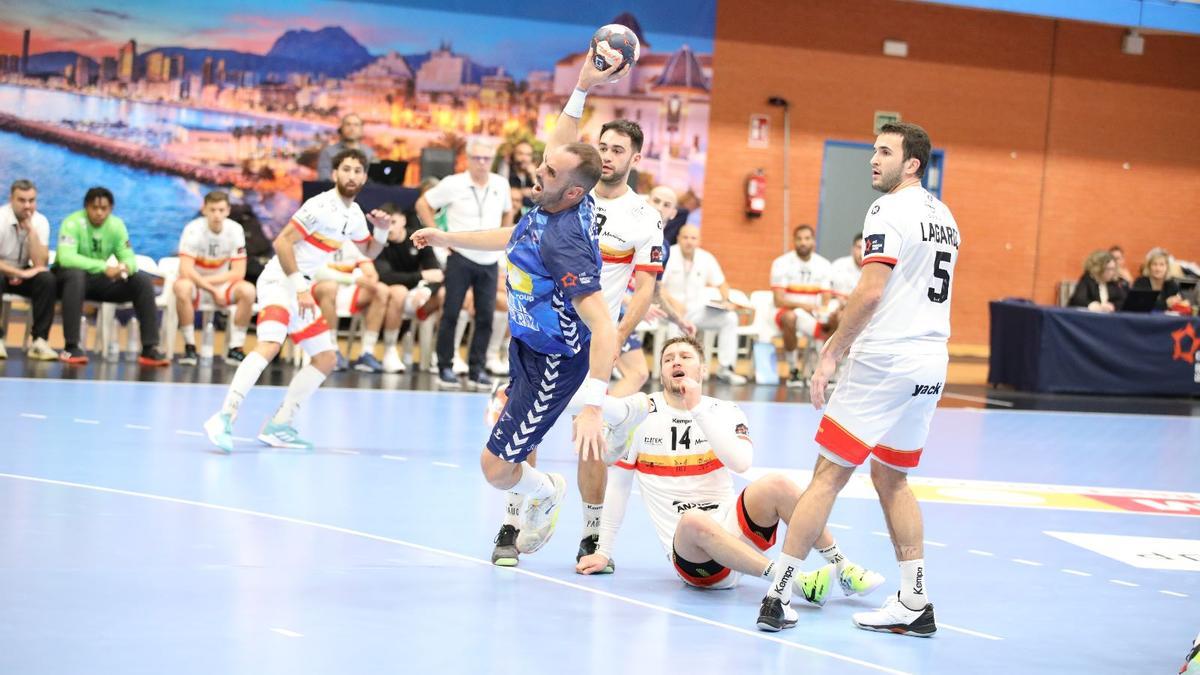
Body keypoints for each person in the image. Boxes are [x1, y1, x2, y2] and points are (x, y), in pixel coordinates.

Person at [410, 49, 622, 561]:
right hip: (524, 345)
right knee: (501, 457)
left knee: (496, 469)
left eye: (548, 172)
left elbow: (604, 327)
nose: (538, 170)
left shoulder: (566, 241)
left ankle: (547, 492)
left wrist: (592, 405)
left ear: (572, 193)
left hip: (554, 363)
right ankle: (539, 488)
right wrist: (583, 85)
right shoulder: (555, 196)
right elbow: (515, 232)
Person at [757, 121, 958, 637]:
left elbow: (870, 294)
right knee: (893, 478)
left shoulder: (888, 209)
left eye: (885, 152)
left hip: (885, 360)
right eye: (873, 150)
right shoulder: (945, 216)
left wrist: (830, 354)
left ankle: (777, 595)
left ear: (911, 163)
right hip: (931, 360)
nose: (873, 159)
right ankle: (914, 600)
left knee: (828, 474)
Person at [577, 337, 884, 609]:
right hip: (693, 555)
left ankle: (842, 567)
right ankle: (790, 579)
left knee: (777, 484)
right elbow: (618, 488)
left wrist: (696, 409)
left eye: (685, 356)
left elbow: (741, 463)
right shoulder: (643, 413)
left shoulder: (724, 410)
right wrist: (603, 551)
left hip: (737, 536)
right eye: (668, 359)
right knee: (694, 519)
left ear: (702, 371)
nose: (676, 362)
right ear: (661, 373)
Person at [203, 149, 394, 453]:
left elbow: (369, 252)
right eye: (346, 169)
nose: (352, 175)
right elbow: (282, 242)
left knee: (326, 358)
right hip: (280, 281)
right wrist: (299, 287)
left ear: (365, 177)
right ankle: (224, 417)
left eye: (358, 171)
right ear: (334, 174)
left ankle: (279, 424)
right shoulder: (319, 205)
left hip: (300, 289)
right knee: (270, 344)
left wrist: (382, 231)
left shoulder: (355, 215)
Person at [416, 138, 514, 390]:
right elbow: (423, 203)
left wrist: (503, 238)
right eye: (477, 158)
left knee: (486, 316)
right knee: (451, 311)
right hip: (460, 254)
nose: (482, 163)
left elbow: (508, 211)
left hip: (490, 258)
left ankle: (476, 369)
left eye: (486, 158)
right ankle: (445, 366)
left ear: (492, 160)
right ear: (467, 159)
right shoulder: (454, 183)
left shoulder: (500, 184)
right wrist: (437, 236)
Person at [53, 187, 169, 366]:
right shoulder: (72, 223)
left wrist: (125, 267)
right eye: (94, 208)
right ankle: (71, 347)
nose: (99, 212)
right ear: (86, 207)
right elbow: (66, 258)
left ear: (111, 208)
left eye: (104, 208)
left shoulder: (116, 225)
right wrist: (103, 266)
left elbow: (128, 257)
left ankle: (149, 348)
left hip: (100, 282)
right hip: (68, 281)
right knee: (75, 276)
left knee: (142, 281)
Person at [173, 190, 256, 365]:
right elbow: (186, 270)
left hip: (221, 284)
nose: (217, 215)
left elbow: (238, 272)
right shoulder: (193, 229)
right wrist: (209, 289)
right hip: (196, 283)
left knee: (248, 291)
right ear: (204, 210)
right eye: (212, 210)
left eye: (221, 210)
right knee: (182, 287)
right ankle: (189, 348)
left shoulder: (235, 230)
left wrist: (213, 286)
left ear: (228, 210)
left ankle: (236, 348)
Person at [662, 225, 747, 384]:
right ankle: (671, 372)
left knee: (730, 318)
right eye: (685, 237)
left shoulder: (706, 258)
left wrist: (725, 301)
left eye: (693, 238)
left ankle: (725, 369)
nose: (689, 242)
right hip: (669, 311)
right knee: (676, 323)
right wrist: (674, 303)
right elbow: (658, 285)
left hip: (695, 311)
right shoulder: (668, 254)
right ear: (679, 238)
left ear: (699, 241)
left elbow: (722, 284)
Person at [372, 202, 443, 373]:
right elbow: (386, 277)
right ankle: (390, 349)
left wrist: (426, 290)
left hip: (417, 293)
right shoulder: (379, 243)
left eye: (393, 222)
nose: (388, 228)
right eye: (385, 224)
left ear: (403, 220)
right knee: (398, 291)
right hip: (393, 293)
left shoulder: (417, 239)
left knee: (444, 294)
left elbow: (437, 274)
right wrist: (420, 277)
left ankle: (440, 353)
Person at [311, 239, 391, 373]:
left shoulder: (354, 238)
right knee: (330, 287)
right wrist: (353, 279)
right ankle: (331, 349)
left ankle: (367, 353)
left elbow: (370, 271)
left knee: (381, 290)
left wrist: (371, 279)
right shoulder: (317, 235)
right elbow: (318, 273)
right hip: (317, 289)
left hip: (349, 288)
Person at [770, 224, 834, 387]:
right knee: (791, 317)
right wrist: (804, 306)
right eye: (799, 239)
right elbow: (779, 300)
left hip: (813, 314)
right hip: (785, 312)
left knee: (835, 318)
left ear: (814, 241)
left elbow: (826, 297)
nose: (803, 242)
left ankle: (824, 370)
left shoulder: (824, 264)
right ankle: (793, 370)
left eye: (807, 238)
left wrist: (822, 311)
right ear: (794, 241)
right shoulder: (781, 263)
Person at [0, 179, 58, 361]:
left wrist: (32, 232)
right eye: (22, 200)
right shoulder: (1, 218)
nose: (27, 205)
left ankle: (39, 341)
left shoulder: (40, 221)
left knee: (47, 279)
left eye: (31, 200)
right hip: (3, 269)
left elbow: (40, 263)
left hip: (25, 271)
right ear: (11, 199)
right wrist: (16, 273)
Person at [316, 114, 378, 180]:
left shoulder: (370, 153)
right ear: (341, 128)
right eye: (348, 124)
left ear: (361, 130)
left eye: (356, 125)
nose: (352, 128)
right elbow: (324, 179)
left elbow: (375, 179)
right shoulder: (328, 152)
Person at [1132, 248, 1187, 312]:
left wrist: (1179, 300)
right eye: (1154, 264)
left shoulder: (1170, 283)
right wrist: (1165, 304)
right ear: (1149, 267)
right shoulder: (1140, 282)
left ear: (1167, 268)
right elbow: (1141, 304)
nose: (1158, 269)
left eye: (1162, 265)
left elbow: (1182, 299)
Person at [508, 140, 537, 211]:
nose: (524, 158)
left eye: (528, 155)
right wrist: (523, 192)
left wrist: (534, 176)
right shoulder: (507, 172)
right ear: (513, 155)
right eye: (520, 154)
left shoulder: (534, 173)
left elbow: (543, 196)